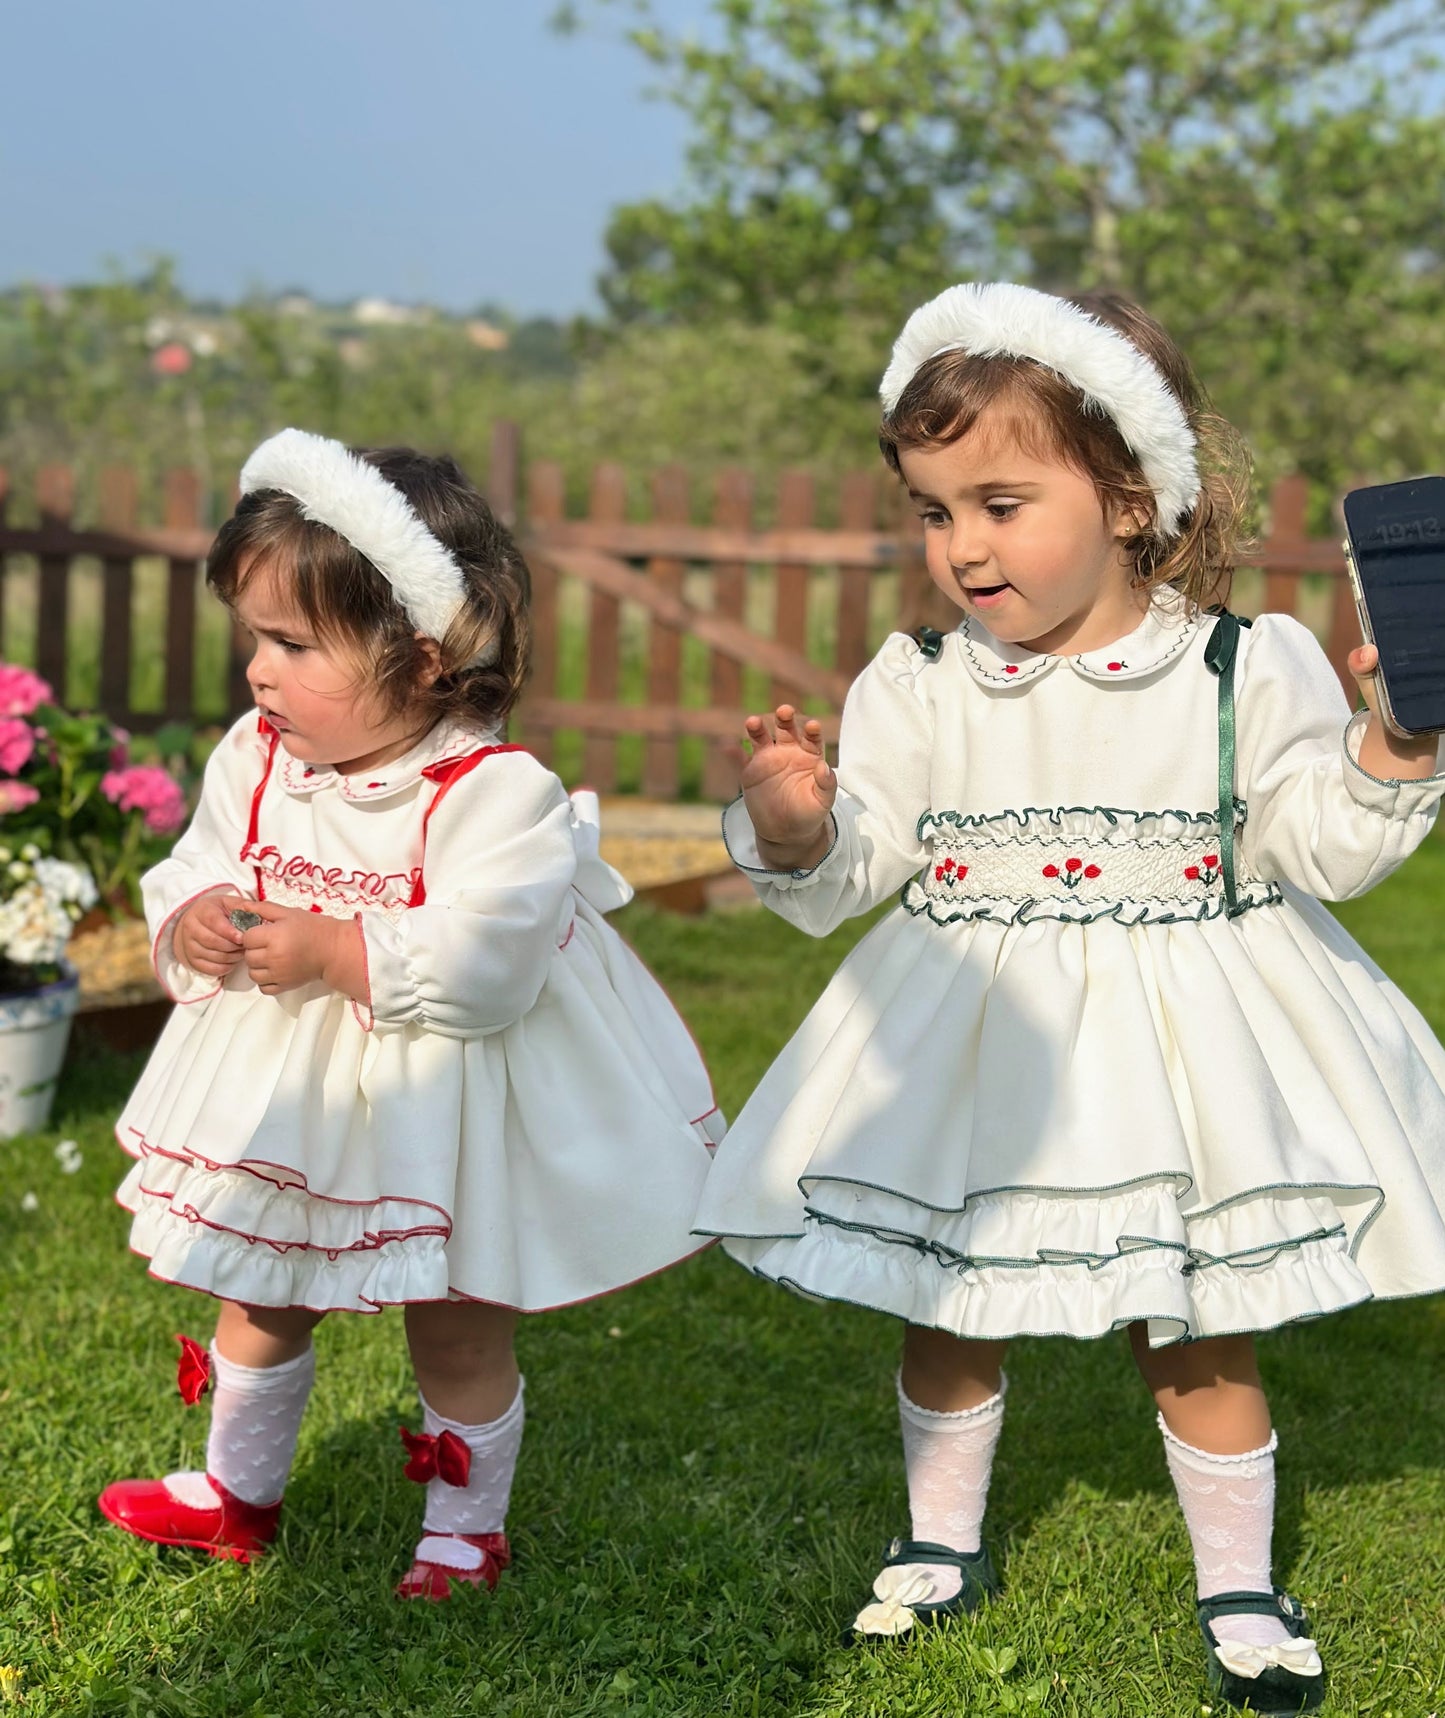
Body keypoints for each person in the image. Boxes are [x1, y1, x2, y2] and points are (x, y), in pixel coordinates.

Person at [694, 282, 1445, 1712]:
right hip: (980, 1033)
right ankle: (938, 1536)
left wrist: (1394, 746)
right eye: (932, 511)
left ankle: (1235, 1573)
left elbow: (1319, 847)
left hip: (1184, 1044)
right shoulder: (918, 682)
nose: (961, 548)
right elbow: (862, 859)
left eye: (998, 502)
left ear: (1124, 495)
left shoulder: (1238, 664)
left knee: (1194, 1312)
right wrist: (795, 824)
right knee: (948, 1286)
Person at [99, 430, 722, 1601]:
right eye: (255, 639)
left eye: (292, 643)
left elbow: (493, 961)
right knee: (260, 1283)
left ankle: (462, 1526)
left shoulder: (491, 793)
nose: (259, 673)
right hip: (289, 1085)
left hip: (443, 1098)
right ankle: (237, 1489)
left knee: (455, 1318)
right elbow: (196, 860)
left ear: (426, 659)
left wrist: (342, 945)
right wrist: (190, 916)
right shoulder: (257, 757)